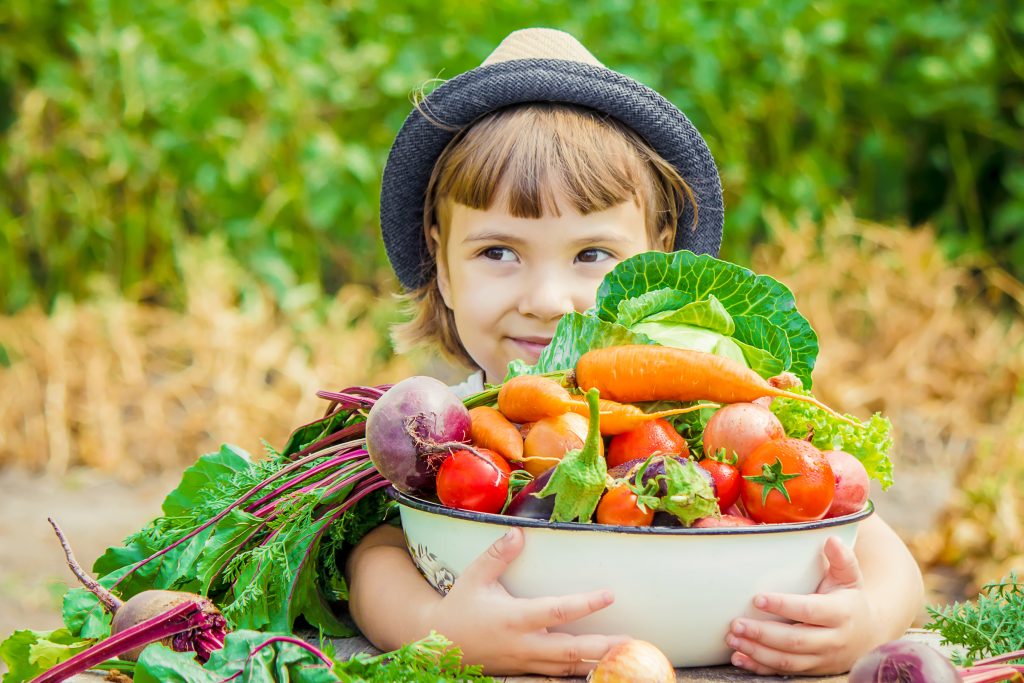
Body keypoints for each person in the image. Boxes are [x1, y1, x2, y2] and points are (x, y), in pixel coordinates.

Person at [346, 28, 923, 677]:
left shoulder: (720, 420)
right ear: (443, 266)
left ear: (659, 256)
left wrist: (866, 619)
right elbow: (376, 556)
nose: (548, 298)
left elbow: (887, 554)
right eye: (497, 253)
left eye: (592, 255)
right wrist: (439, 628)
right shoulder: (444, 435)